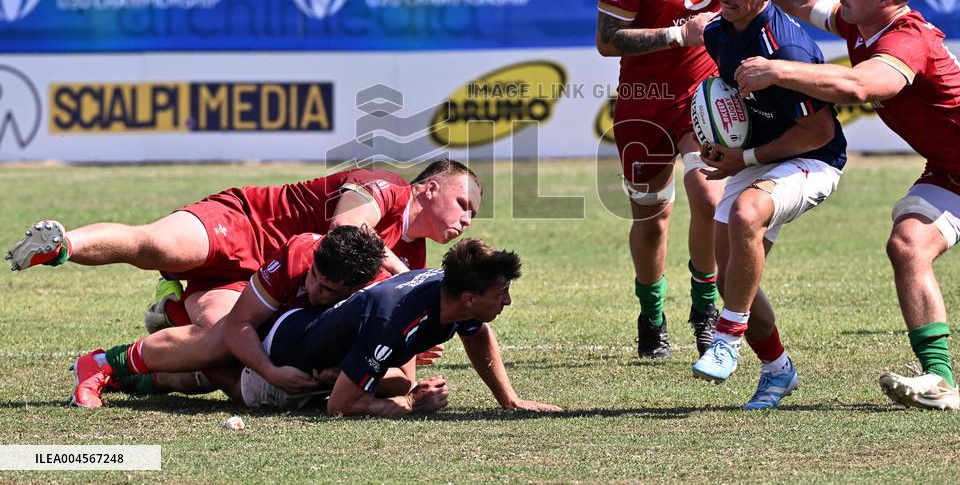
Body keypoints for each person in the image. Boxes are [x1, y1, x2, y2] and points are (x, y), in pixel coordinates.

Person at [734, 0, 960, 410]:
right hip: (959, 174)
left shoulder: (906, 38)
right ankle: (940, 381)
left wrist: (777, 70)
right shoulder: (859, 23)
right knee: (907, 245)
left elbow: (860, 86)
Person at [7, 159, 481, 339]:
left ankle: (170, 316)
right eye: (463, 203)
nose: (465, 220)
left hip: (265, 285)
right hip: (245, 223)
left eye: (473, 216)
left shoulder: (414, 257)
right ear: (430, 188)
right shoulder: (387, 186)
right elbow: (345, 230)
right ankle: (61, 244)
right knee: (155, 246)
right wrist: (405, 281)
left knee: (226, 343)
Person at [596, 0, 752, 358]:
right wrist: (676, 34)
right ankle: (651, 312)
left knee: (710, 200)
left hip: (705, 97)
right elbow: (607, 39)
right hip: (645, 102)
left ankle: (705, 306)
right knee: (651, 216)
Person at [681, 0, 847, 409]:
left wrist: (747, 159)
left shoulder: (787, 48)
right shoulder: (720, 31)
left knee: (745, 214)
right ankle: (778, 371)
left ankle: (727, 336)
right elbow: (739, 104)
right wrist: (724, 139)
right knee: (733, 273)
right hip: (759, 156)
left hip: (814, 159)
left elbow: (816, 132)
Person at [226, 238, 562, 417]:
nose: (508, 302)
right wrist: (412, 404)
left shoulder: (453, 291)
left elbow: (477, 334)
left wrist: (510, 399)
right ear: (470, 299)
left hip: (313, 333)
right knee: (199, 376)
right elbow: (339, 407)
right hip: (284, 358)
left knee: (397, 380)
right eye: (501, 293)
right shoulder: (391, 323)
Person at [69, 225, 387, 408]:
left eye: (329, 289)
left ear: (358, 287)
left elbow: (401, 377)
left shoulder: (380, 293)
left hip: (282, 337)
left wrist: (344, 375)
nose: (315, 289)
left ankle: (131, 378)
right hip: (247, 305)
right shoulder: (299, 255)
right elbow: (238, 325)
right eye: (314, 276)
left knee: (197, 379)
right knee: (219, 346)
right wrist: (272, 372)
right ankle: (105, 361)